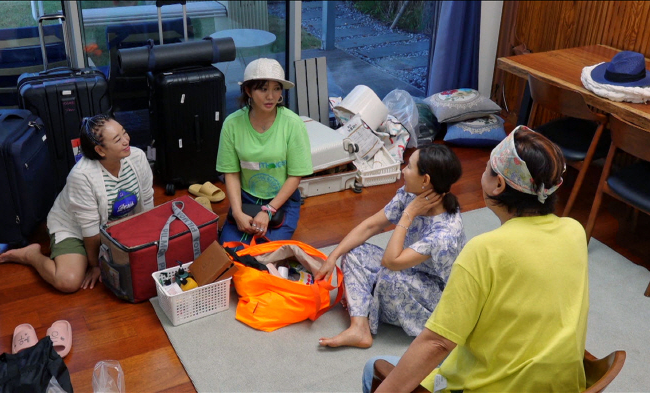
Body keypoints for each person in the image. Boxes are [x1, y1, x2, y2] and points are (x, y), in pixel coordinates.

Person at [366, 126, 589, 393]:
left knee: (375, 369)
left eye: (486, 168)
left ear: (498, 184)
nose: (482, 174)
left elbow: (437, 343)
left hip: (500, 387)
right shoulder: (574, 231)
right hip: (565, 385)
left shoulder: (485, 250)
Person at [316, 144, 465, 348]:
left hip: (432, 293)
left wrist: (408, 215)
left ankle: (370, 297)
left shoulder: (445, 233)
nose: (404, 170)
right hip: (404, 267)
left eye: (409, 167)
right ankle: (359, 328)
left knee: (389, 276)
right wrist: (332, 257)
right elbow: (371, 225)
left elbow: (391, 261)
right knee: (353, 253)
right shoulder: (410, 194)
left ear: (426, 180)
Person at [0, 114, 154, 293]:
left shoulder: (138, 157)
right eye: (118, 139)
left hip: (113, 225)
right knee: (68, 281)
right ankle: (31, 255)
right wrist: (96, 266)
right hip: (75, 228)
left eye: (124, 133)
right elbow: (90, 230)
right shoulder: (82, 176)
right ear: (100, 151)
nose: (127, 140)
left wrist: (148, 239)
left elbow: (147, 200)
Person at [216, 58, 313, 244]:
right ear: (248, 90)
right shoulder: (232, 124)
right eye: (263, 89)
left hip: (282, 200)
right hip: (246, 198)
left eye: (276, 88)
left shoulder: (293, 124)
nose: (271, 96)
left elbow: (295, 176)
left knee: (264, 256)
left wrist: (269, 210)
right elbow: (231, 173)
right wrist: (237, 212)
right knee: (229, 252)